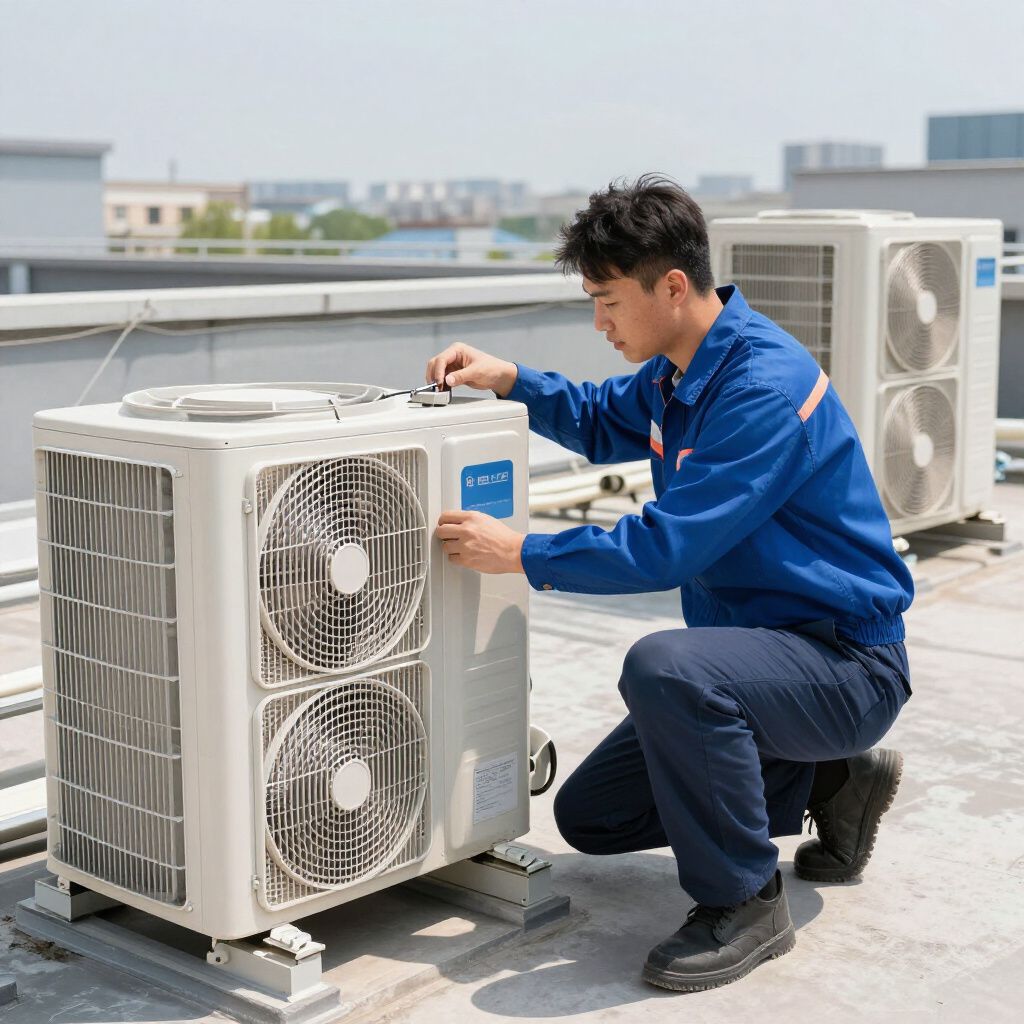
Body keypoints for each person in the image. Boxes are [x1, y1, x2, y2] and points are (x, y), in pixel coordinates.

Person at [427, 174, 913, 993]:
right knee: (593, 819)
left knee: (665, 667)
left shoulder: (758, 387)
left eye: (608, 301)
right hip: (769, 663)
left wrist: (523, 553)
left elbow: (667, 550)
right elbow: (594, 416)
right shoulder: (678, 373)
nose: (599, 322)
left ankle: (747, 902)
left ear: (674, 285)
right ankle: (829, 774)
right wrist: (509, 377)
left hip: (844, 665)